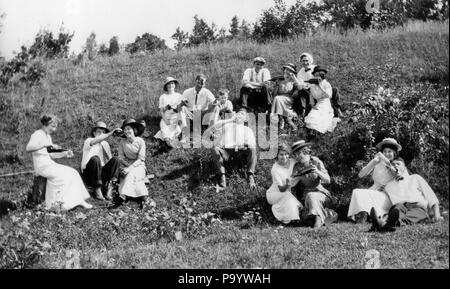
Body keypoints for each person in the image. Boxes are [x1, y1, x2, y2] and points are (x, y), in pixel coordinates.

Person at [26, 114, 92, 211]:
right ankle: (55, 205)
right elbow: (28, 148)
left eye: (55, 127)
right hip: (41, 166)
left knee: (73, 172)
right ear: (45, 124)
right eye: (52, 126)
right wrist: (44, 144)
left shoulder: (47, 136)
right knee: (61, 177)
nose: (54, 129)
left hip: (49, 164)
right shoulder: (37, 134)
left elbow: (51, 154)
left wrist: (64, 154)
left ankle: (78, 200)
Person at [370, 157, 443, 231]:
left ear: (404, 168)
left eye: (398, 164)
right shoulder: (388, 185)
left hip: (417, 207)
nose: (395, 166)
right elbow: (378, 193)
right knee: (397, 209)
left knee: (415, 215)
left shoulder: (415, 178)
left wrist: (437, 215)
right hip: (399, 207)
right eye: (393, 165)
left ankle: (385, 224)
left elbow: (432, 197)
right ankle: (388, 222)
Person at [347, 138, 402, 223]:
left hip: (388, 194)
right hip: (374, 190)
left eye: (389, 151)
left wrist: (385, 160)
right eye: (384, 151)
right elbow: (361, 175)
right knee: (357, 192)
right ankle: (363, 215)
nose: (387, 154)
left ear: (394, 153)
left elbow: (396, 173)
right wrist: (374, 161)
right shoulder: (378, 163)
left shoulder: (397, 163)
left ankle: (371, 215)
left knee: (369, 195)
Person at [291, 140, 337, 228]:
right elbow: (292, 184)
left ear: (304, 151)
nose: (296, 157)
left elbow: (328, 180)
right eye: (295, 155)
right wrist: (298, 177)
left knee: (312, 196)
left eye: (298, 154)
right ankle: (327, 214)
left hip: (321, 194)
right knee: (305, 217)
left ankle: (318, 220)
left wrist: (317, 171)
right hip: (306, 197)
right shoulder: (297, 166)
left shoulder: (316, 161)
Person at [210, 109, 257, 190]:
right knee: (214, 148)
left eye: (242, 114)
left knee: (252, 148)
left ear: (246, 119)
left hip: (241, 154)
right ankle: (222, 177)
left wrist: (243, 145)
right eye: (238, 113)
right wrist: (213, 136)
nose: (239, 115)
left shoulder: (247, 130)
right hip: (228, 153)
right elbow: (216, 129)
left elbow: (251, 143)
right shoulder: (228, 126)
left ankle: (250, 175)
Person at [81, 121, 121, 200]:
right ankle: (97, 189)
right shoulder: (89, 140)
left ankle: (109, 188)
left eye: (103, 132)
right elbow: (94, 142)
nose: (101, 134)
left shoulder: (105, 144)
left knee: (116, 159)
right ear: (94, 133)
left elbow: (109, 160)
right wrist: (110, 133)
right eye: (99, 132)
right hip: (90, 173)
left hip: (101, 173)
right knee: (96, 159)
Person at [266, 143, 303, 225]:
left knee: (288, 197)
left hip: (286, 192)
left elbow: (301, 159)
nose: (284, 157)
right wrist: (290, 181)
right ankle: (288, 220)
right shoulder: (275, 169)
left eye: (286, 154)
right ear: (277, 155)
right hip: (274, 194)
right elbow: (281, 189)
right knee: (287, 195)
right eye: (281, 154)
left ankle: (292, 219)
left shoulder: (292, 161)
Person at [116, 118, 148, 208]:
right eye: (125, 129)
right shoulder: (122, 142)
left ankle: (123, 195)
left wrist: (130, 168)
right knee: (127, 174)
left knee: (132, 173)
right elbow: (121, 157)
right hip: (126, 164)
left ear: (134, 130)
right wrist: (126, 166)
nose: (126, 131)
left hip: (139, 165)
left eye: (129, 129)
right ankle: (143, 196)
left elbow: (141, 159)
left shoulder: (140, 141)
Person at [154, 77, 190, 147]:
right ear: (166, 86)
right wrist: (165, 120)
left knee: (180, 119)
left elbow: (184, 106)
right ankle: (169, 142)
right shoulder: (163, 97)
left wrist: (183, 104)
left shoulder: (179, 95)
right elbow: (161, 111)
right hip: (167, 117)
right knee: (166, 132)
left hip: (177, 117)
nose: (171, 85)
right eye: (168, 84)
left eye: (172, 83)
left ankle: (184, 136)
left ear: (175, 85)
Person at [303, 66, 338, 135]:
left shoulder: (326, 84)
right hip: (318, 104)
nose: (317, 77)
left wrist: (320, 86)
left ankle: (318, 132)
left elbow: (328, 95)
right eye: (316, 75)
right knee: (312, 116)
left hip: (325, 103)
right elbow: (311, 97)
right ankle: (312, 133)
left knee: (323, 118)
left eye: (319, 75)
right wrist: (312, 105)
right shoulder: (312, 86)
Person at [270, 63, 298, 131]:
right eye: (286, 71)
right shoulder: (280, 81)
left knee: (277, 99)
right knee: (277, 98)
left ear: (292, 73)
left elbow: (299, 88)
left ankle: (279, 119)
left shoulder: (294, 82)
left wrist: (294, 78)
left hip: (289, 99)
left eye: (289, 71)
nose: (287, 73)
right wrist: (276, 85)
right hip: (279, 99)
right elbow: (273, 95)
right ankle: (281, 118)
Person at [292, 52, 316, 117]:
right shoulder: (300, 72)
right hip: (306, 90)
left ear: (310, 60)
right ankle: (303, 109)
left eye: (307, 61)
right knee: (301, 91)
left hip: (315, 88)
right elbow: (300, 85)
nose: (305, 63)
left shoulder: (315, 68)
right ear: (301, 62)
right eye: (303, 61)